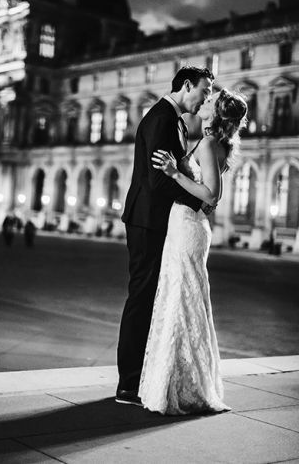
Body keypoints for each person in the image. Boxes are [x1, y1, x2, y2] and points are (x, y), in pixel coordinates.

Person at [140, 88, 247, 415]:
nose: (204, 102)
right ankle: (180, 382)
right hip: (185, 224)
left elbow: (212, 195)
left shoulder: (210, 143)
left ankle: (182, 386)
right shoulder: (209, 143)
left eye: (210, 101)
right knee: (182, 300)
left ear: (217, 113)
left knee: (182, 301)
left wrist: (174, 172)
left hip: (188, 227)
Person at [116, 66, 214, 406]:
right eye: (204, 91)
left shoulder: (168, 119)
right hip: (147, 221)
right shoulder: (160, 119)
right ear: (186, 85)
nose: (205, 100)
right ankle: (128, 383)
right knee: (141, 298)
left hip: (154, 220)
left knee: (147, 298)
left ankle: (139, 378)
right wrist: (198, 199)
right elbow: (158, 181)